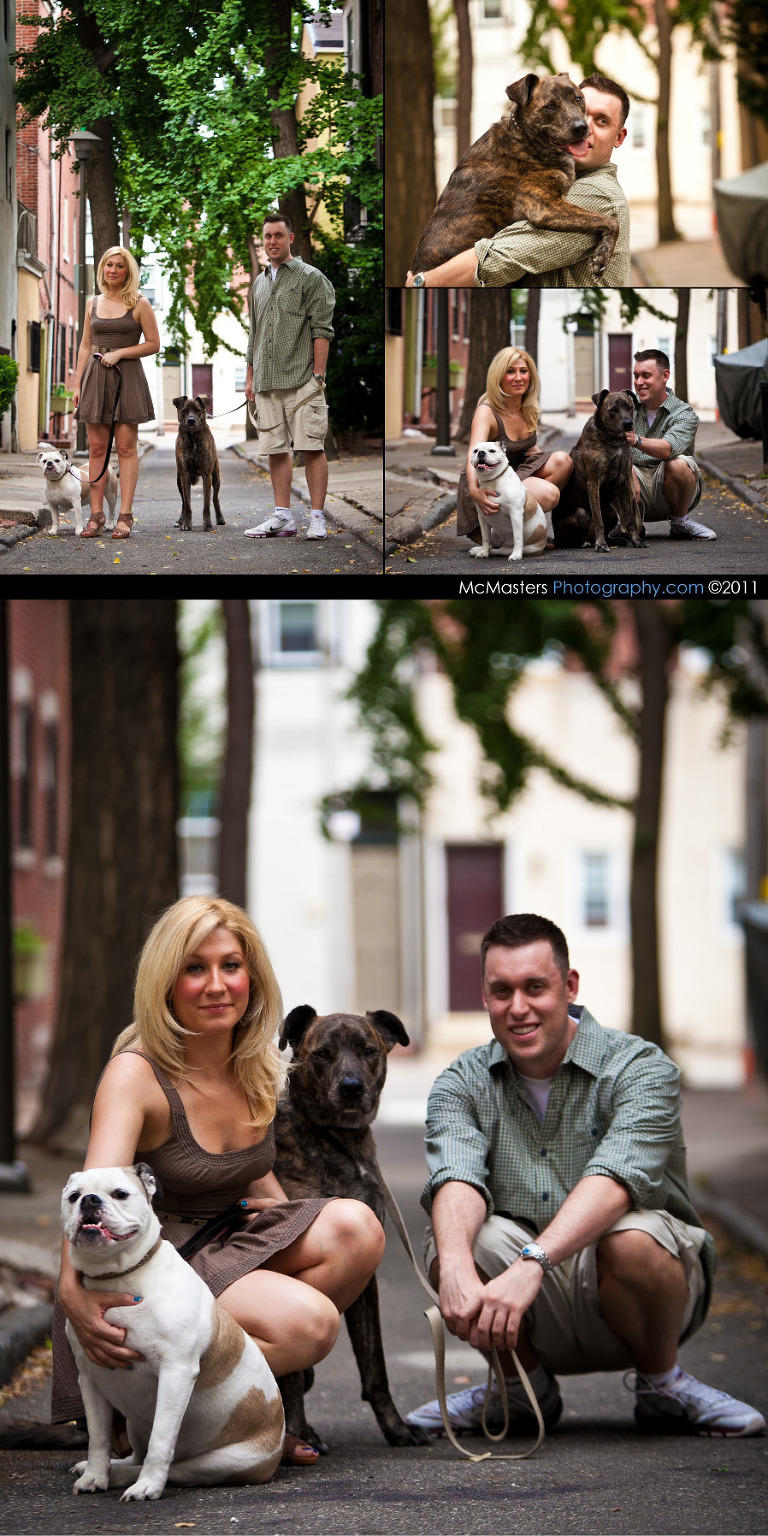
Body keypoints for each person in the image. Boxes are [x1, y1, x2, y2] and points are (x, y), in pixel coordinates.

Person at [52, 895, 385, 1467]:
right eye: (195, 968)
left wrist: (296, 1228)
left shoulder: (251, 1063)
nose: (216, 985)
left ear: (251, 976)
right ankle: (156, 1414)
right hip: (155, 1265)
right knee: (311, 1323)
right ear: (166, 980)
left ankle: (231, 1410)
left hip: (225, 1245)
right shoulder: (136, 1073)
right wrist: (70, 1293)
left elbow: (257, 1179)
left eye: (231, 965)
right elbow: (94, 1191)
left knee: (356, 1227)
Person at [407, 913, 766, 1440]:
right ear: (485, 996)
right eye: (501, 991)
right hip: (521, 1312)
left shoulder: (641, 1068)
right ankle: (519, 1392)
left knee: (635, 1237)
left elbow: (617, 1177)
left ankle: (662, 1384)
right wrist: (456, 1267)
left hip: (637, 1294)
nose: (518, 1008)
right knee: (456, 1239)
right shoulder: (460, 1082)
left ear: (569, 985)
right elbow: (456, 1174)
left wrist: (533, 1262)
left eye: (535, 987)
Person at [407, 76, 630, 289]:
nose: (583, 124)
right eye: (553, 107)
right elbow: (541, 212)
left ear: (619, 137)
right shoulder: (517, 159)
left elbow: (502, 259)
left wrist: (423, 281)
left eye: (601, 121)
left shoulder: (597, 193)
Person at [244, 214, 335, 541]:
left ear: (291, 238)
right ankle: (283, 517)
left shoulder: (312, 278)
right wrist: (250, 376)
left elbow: (322, 329)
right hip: (266, 382)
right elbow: (253, 333)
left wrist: (318, 376)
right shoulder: (258, 283)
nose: (272, 242)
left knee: (312, 446)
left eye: (278, 235)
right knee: (276, 450)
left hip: (302, 381)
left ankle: (317, 517)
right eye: (267, 236)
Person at [72, 246, 160, 541]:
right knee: (96, 449)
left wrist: (121, 352)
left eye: (119, 266)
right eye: (108, 265)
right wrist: (77, 384)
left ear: (127, 271)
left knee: (125, 448)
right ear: (102, 269)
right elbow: (86, 345)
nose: (112, 270)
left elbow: (153, 344)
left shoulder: (139, 303)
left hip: (127, 378)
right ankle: (95, 515)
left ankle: (124, 516)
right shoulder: (91, 303)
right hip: (95, 378)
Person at [456, 347, 573, 549]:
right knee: (549, 494)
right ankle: (505, 534)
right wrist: (475, 491)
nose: (518, 377)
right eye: (510, 371)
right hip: (489, 482)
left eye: (523, 371)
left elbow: (529, 446)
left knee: (563, 460)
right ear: (498, 377)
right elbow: (471, 455)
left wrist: (556, 464)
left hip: (514, 473)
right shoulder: (486, 411)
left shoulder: (527, 405)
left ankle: (527, 528)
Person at [624, 349, 715, 540]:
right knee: (612, 463)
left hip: (667, 493)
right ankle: (628, 524)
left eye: (645, 376)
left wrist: (636, 440)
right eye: (636, 376)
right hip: (631, 492)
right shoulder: (625, 408)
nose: (638, 382)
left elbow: (668, 449)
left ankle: (681, 522)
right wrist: (624, 467)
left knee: (679, 463)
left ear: (665, 376)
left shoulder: (684, 414)